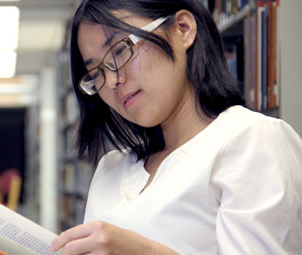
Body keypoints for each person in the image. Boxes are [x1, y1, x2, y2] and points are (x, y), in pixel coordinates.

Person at [50, 0, 302, 254]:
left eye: (120, 50)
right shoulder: (110, 168)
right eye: (96, 74)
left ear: (183, 29)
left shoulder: (251, 140)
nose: (113, 80)